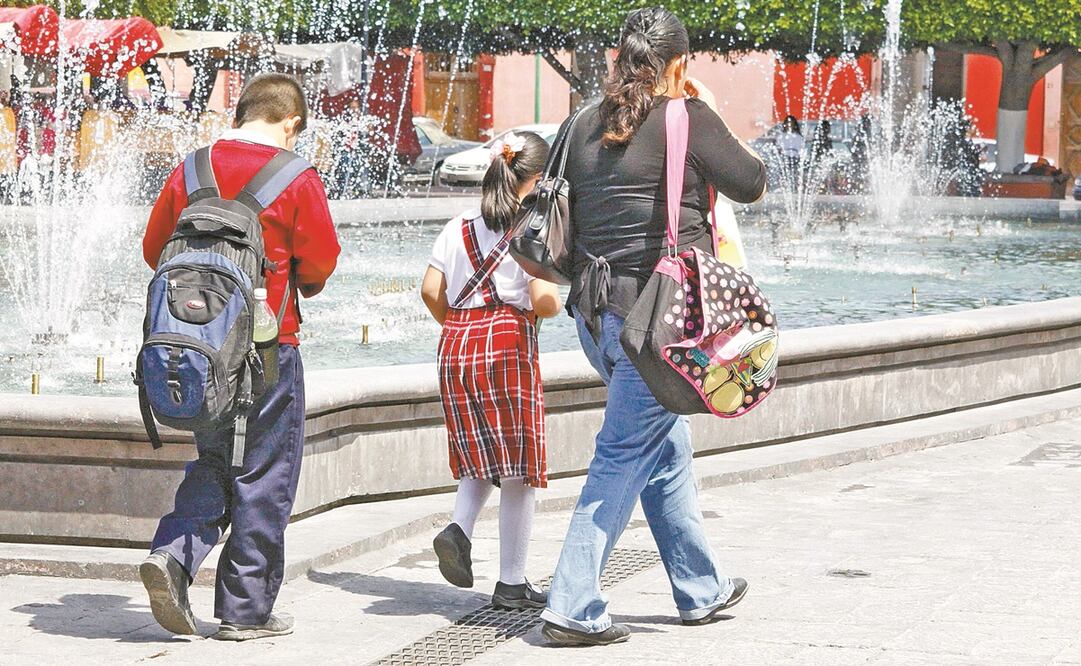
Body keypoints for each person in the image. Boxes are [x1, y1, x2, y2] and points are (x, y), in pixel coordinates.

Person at [538, 7, 767, 647]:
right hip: (658, 327)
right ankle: (572, 605)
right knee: (622, 454)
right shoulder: (686, 118)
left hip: (596, 319)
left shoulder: (579, 122)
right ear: (678, 64)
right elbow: (752, 182)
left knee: (663, 449)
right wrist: (710, 108)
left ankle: (701, 587)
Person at [139, 73, 341, 641]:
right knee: (264, 473)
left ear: (241, 112)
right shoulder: (296, 176)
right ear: (291, 123)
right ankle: (246, 612)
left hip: (201, 352)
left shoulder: (192, 168)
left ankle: (173, 555)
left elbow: (155, 250)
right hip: (270, 349)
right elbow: (321, 261)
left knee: (214, 461)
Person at [421, 130, 562, 610]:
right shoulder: (534, 228)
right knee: (519, 469)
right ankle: (512, 582)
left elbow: (430, 290)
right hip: (506, 343)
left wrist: (461, 326)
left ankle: (459, 529)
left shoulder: (458, 224)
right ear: (538, 179)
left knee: (481, 451)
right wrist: (554, 293)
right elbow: (544, 302)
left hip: (456, 342)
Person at [777, 113, 804, 180]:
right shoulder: (781, 136)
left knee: (795, 177)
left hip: (795, 159)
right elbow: (779, 149)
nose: (790, 125)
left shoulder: (799, 137)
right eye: (788, 123)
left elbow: (801, 149)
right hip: (784, 158)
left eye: (791, 123)